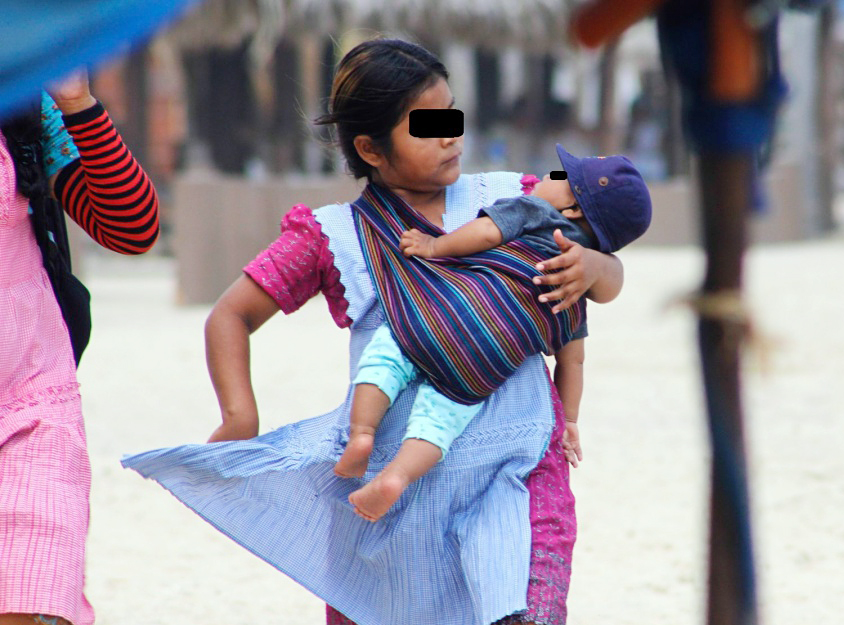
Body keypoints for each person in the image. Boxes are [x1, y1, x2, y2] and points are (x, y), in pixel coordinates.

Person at [121, 38, 624, 625]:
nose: (451, 137)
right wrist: (239, 416)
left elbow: (608, 259)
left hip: (520, 474)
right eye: (427, 127)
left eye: (452, 115)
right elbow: (230, 316)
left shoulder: (517, 195)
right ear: (369, 148)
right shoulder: (332, 237)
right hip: (392, 496)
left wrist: (596, 267)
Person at [337, 148, 651, 521]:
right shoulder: (574, 300)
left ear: (571, 210)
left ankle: (362, 434)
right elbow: (573, 362)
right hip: (483, 367)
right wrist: (570, 421)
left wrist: (434, 245)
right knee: (441, 419)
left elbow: (486, 232)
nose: (546, 177)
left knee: (388, 354)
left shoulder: (536, 212)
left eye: (560, 176)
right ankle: (397, 477)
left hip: (445, 314)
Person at [1, 71, 160, 625]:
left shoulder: (24, 107)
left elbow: (132, 229)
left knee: (31, 599)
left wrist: (77, 103)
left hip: (31, 402)